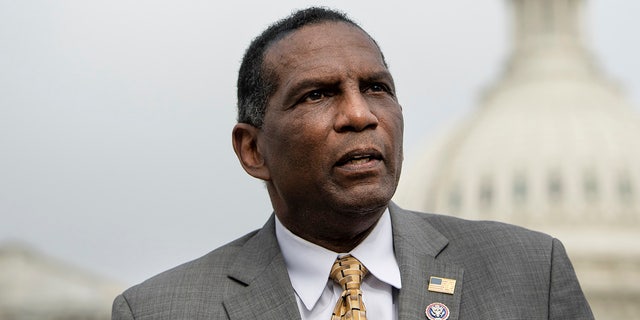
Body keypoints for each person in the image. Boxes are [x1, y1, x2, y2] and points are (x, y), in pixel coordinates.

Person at [112, 7, 593, 320]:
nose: (360, 115)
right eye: (317, 94)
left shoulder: (532, 274)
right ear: (252, 150)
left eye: (376, 88)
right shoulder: (159, 311)